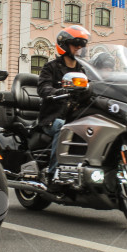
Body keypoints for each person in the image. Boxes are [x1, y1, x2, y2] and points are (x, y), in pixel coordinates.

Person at [37, 25, 90, 182]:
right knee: (63, 128)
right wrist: (57, 92)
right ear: (65, 45)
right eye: (76, 44)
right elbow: (43, 88)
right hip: (52, 118)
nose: (79, 48)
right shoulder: (51, 67)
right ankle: (54, 174)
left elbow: (92, 85)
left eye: (82, 45)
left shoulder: (83, 70)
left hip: (75, 116)